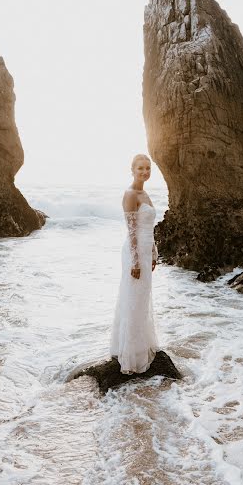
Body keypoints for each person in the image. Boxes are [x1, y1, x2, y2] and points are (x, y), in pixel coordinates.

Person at [109, 153, 160, 374]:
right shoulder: (130, 194)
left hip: (147, 252)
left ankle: (141, 346)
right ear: (132, 170)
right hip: (135, 253)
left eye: (148, 168)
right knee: (133, 299)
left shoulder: (145, 193)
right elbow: (131, 232)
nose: (145, 172)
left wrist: (155, 253)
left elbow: (149, 227)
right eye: (140, 168)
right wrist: (136, 261)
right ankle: (130, 354)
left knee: (142, 298)